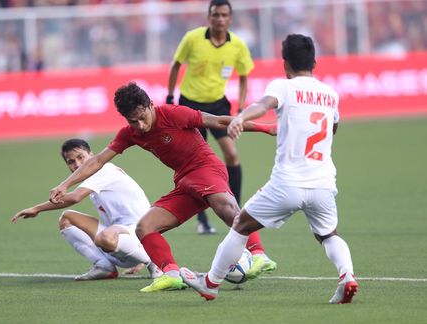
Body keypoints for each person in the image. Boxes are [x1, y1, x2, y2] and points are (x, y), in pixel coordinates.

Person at [180, 34, 359, 304]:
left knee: (241, 224)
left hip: (287, 183)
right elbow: (332, 129)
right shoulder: (331, 94)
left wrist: (240, 117)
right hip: (322, 183)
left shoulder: (284, 87)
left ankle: (210, 283)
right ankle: (347, 275)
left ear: (284, 63)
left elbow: (262, 105)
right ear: (315, 63)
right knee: (328, 235)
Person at [49, 82, 278, 292]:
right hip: (185, 181)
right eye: (132, 121)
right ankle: (170, 274)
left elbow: (218, 120)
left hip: (206, 168)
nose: (140, 125)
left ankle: (259, 255)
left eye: (142, 117)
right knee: (145, 227)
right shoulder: (131, 133)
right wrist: (65, 184)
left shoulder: (173, 113)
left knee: (226, 209)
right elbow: (98, 160)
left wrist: (265, 128)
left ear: (150, 104)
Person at [11, 138, 162, 281]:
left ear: (92, 155)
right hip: (119, 243)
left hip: (138, 236)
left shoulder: (105, 169)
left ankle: (155, 262)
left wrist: (37, 208)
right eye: (71, 162)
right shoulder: (92, 182)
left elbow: (75, 197)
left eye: (81, 157)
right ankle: (104, 266)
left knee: (104, 237)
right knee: (67, 218)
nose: (77, 164)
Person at [167, 0, 253, 235]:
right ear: (209, 17)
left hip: (217, 105)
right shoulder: (192, 38)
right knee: (195, 164)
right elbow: (176, 65)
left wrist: (242, 106)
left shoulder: (237, 45)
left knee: (232, 154)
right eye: (216, 15)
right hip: (190, 106)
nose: (220, 19)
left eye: (224, 15)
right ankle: (202, 219)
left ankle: (236, 209)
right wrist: (170, 96)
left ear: (230, 18)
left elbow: (244, 75)